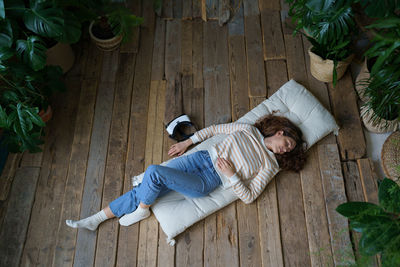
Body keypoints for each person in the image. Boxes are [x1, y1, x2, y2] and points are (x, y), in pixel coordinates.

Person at [66, 114, 307, 231]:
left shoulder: (270, 165)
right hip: (200, 158)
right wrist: (186, 143)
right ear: (280, 133)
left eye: (288, 150)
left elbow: (250, 196)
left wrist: (232, 175)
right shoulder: (248, 129)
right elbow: (214, 129)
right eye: (287, 143)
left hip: (207, 180)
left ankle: (142, 210)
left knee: (153, 172)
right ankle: (95, 219)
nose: (285, 149)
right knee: (146, 186)